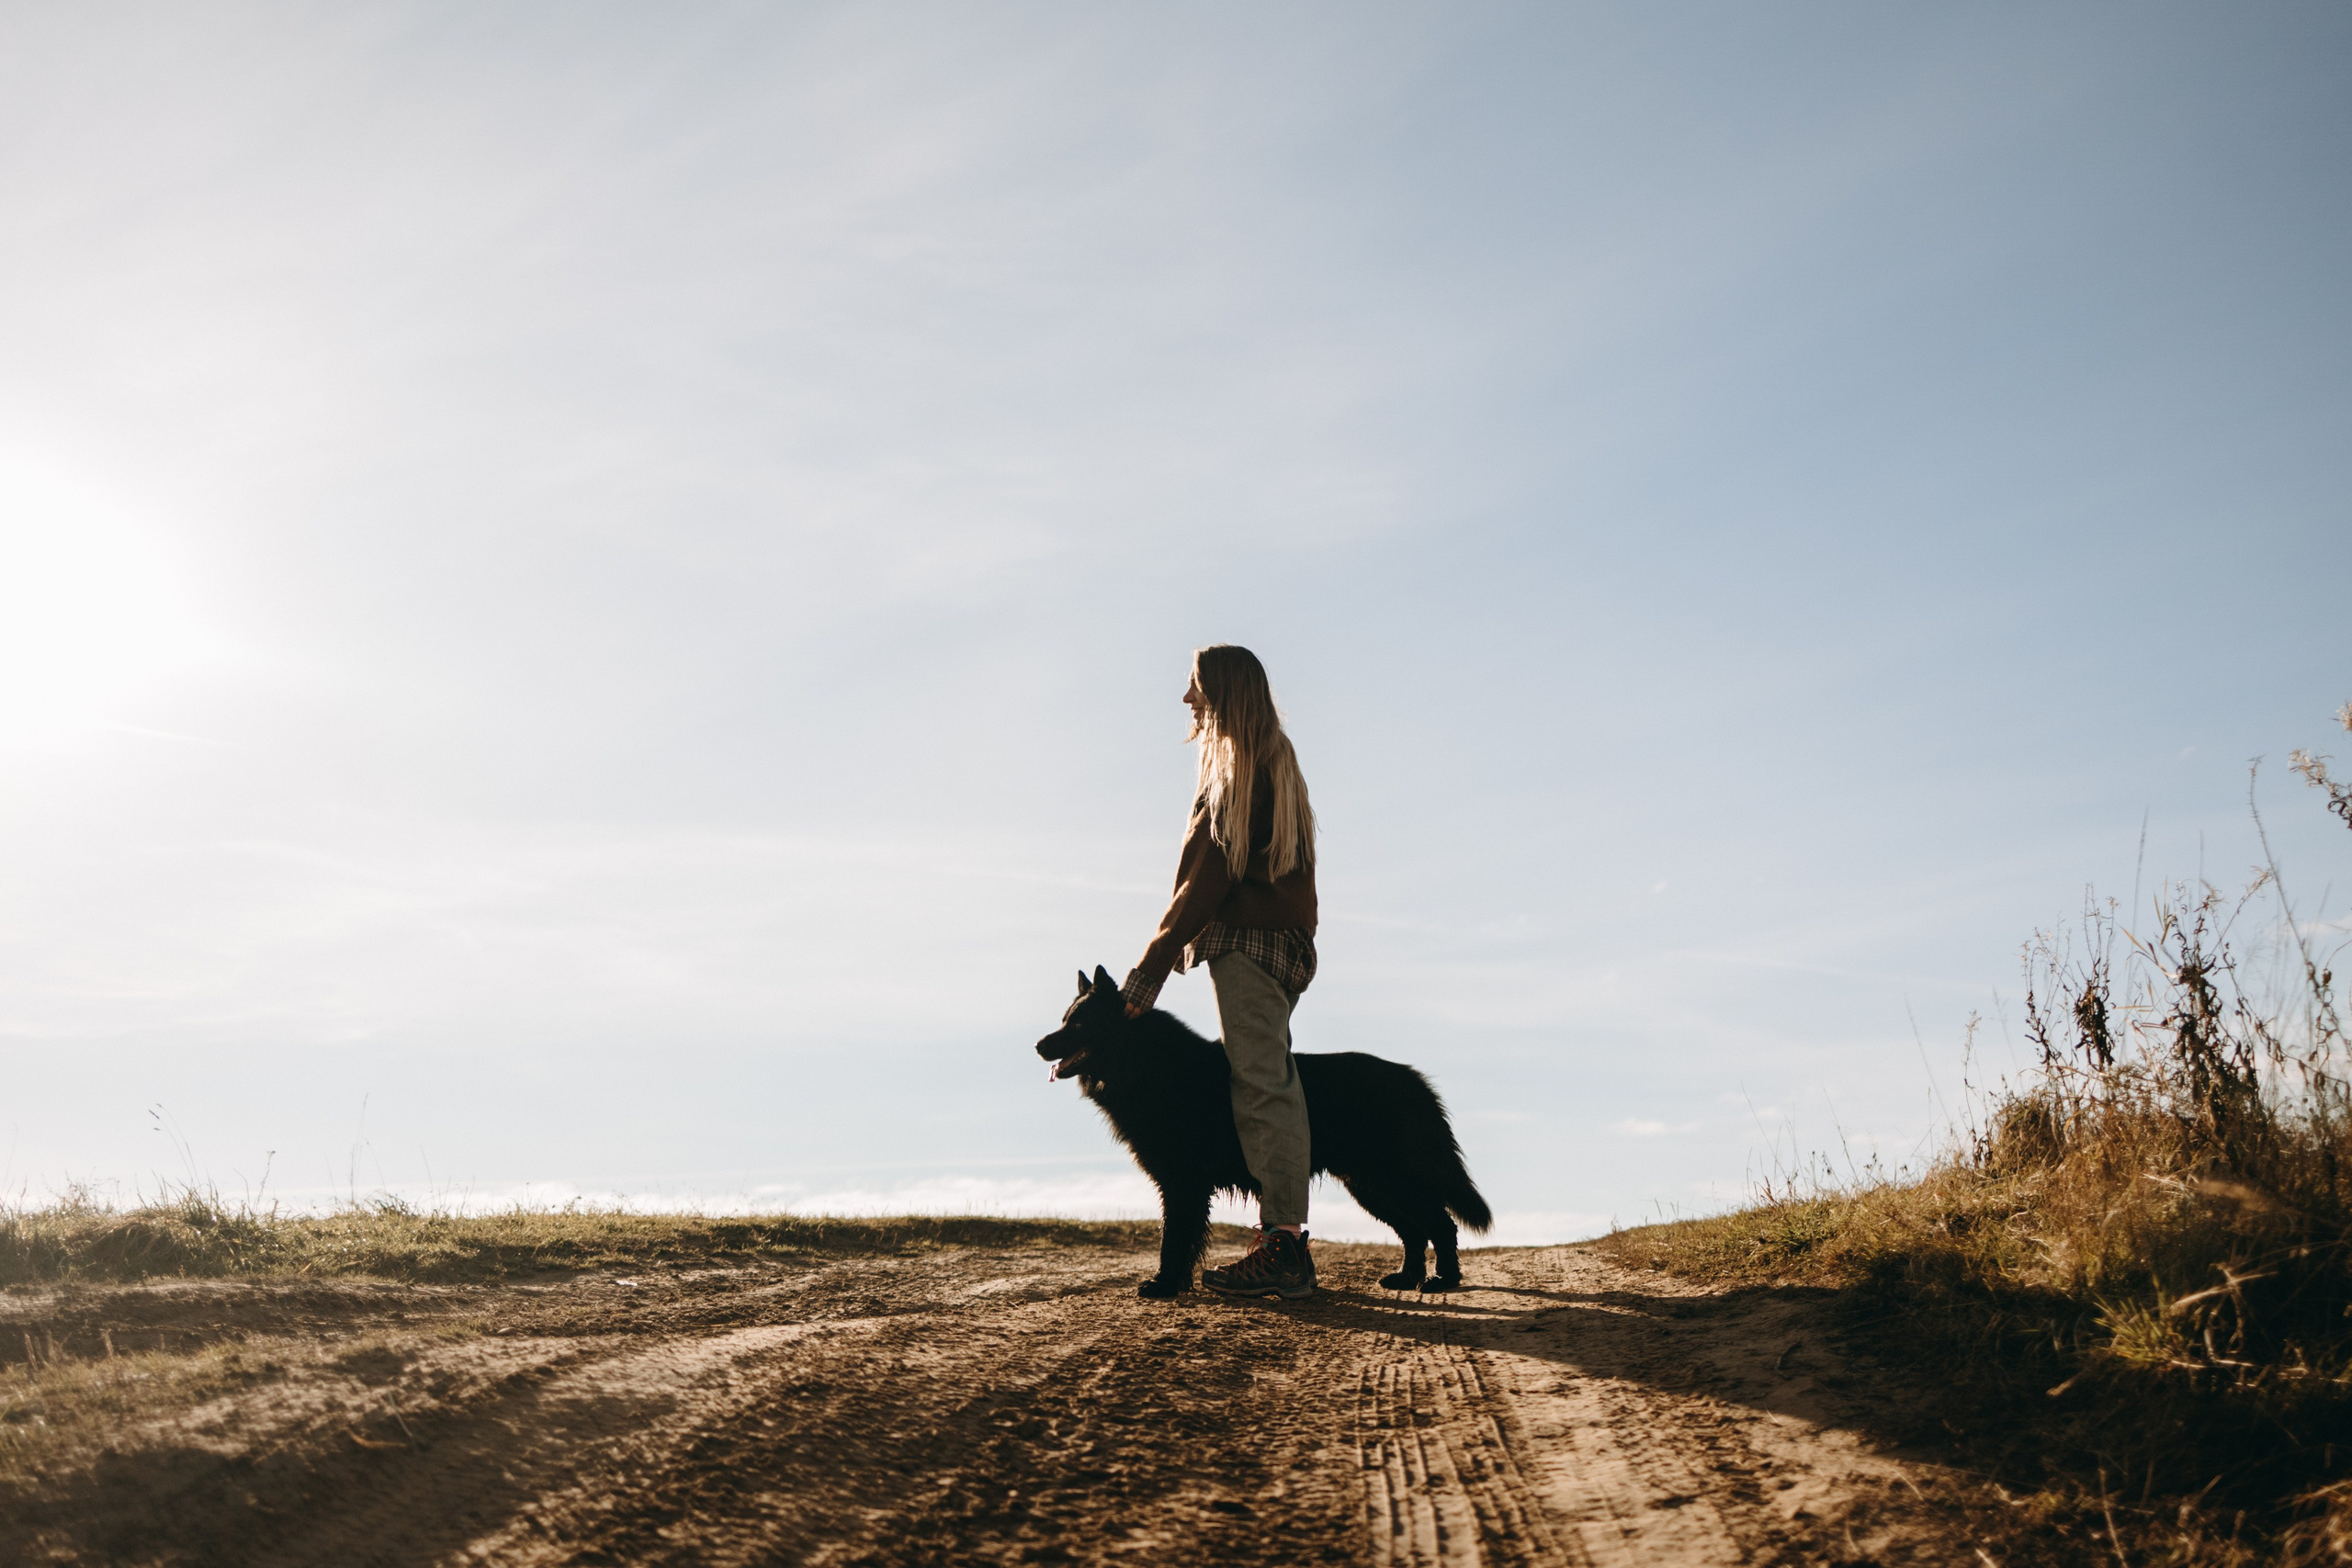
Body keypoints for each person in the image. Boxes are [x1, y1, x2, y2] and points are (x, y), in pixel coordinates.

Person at [1122, 644, 1320, 1299]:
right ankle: (1281, 1238)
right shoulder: (1275, 758)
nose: (1187, 701)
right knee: (1268, 1077)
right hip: (1279, 946)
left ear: (1225, 692)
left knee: (1263, 1082)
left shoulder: (1241, 767)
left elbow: (1207, 878)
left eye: (1195, 688)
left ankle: (1284, 1244)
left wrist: (1150, 968)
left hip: (1250, 946)